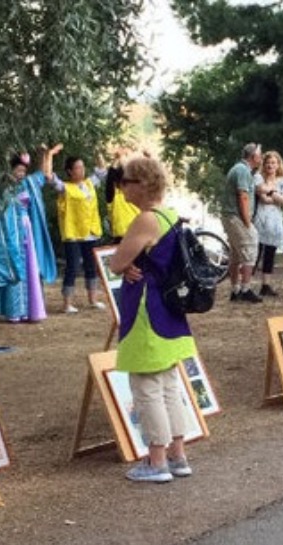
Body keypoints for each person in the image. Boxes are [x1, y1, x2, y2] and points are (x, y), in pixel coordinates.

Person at [109, 156, 198, 483]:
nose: (122, 187)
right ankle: (178, 455)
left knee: (146, 386)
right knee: (169, 385)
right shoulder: (170, 215)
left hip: (148, 311)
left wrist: (127, 263)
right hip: (170, 311)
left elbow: (116, 263)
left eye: (127, 181)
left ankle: (157, 460)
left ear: (142, 184)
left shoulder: (146, 220)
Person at [0, 145, 61, 323]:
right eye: (18, 170)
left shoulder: (29, 183)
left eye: (23, 170)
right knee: (15, 267)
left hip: (26, 231)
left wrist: (47, 154)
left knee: (30, 268)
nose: (21, 173)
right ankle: (14, 312)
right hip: (12, 234)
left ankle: (31, 310)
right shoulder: (3, 188)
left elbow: (44, 174)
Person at [54, 154, 108, 313]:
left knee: (91, 265)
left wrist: (99, 155)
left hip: (91, 231)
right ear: (70, 171)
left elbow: (102, 171)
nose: (82, 170)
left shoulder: (89, 183)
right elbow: (51, 179)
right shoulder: (65, 188)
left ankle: (93, 299)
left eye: (83, 167)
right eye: (78, 167)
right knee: (73, 266)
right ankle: (67, 303)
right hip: (73, 233)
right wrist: (48, 155)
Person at [221, 143, 263, 303]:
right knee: (249, 249)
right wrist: (247, 221)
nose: (261, 157)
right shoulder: (243, 171)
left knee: (236, 254)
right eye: (260, 154)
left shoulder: (238, 169)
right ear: (253, 156)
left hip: (230, 216)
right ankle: (245, 289)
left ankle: (235, 290)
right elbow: (243, 196)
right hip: (236, 217)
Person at [253, 150, 283, 296]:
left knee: (270, 252)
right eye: (268, 162)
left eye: (273, 162)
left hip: (275, 220)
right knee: (255, 251)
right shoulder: (258, 178)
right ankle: (246, 284)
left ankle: (265, 284)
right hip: (260, 219)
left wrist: (270, 193)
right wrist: (276, 196)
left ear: (278, 164)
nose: (270, 165)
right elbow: (264, 199)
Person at [105, 148, 141, 243]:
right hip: (121, 238)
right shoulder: (113, 195)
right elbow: (109, 179)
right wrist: (117, 160)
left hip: (138, 235)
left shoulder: (136, 192)